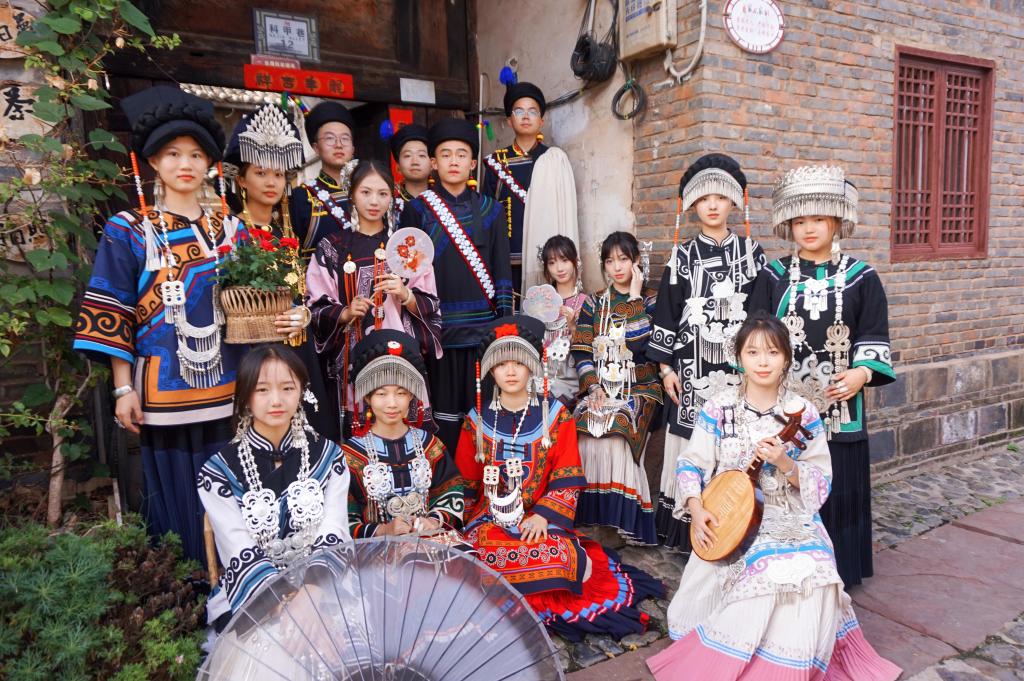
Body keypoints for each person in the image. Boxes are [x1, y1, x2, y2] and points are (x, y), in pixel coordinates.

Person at [646, 313, 900, 681]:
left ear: (786, 359)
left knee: (816, 573)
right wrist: (697, 509)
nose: (763, 362)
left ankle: (787, 666)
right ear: (739, 357)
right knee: (763, 578)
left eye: (772, 352)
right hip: (732, 517)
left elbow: (821, 478)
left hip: (788, 511)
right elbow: (691, 464)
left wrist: (786, 463)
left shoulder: (802, 412)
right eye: (753, 352)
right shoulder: (718, 407)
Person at [73, 86, 243, 562]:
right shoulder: (128, 228)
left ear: (210, 163)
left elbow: (252, 307)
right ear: (151, 161)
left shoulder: (230, 229)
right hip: (162, 390)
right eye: (172, 153)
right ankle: (187, 583)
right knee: (175, 493)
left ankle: (238, 579)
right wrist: (122, 388)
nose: (185, 164)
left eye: (196, 154)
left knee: (232, 486)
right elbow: (114, 309)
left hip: (229, 385)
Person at [455, 315, 662, 641]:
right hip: (491, 520)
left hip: (542, 521)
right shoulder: (475, 422)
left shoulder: (555, 416)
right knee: (475, 558)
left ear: (532, 367)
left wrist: (543, 515)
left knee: (560, 557)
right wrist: (458, 524)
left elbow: (568, 476)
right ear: (490, 371)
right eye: (502, 364)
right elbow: (465, 482)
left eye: (518, 363)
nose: (510, 371)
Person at [749, 165, 895, 588]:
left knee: (837, 481)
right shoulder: (773, 276)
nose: (808, 229)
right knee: (784, 478)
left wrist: (862, 372)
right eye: (799, 221)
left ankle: (839, 569)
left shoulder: (862, 277)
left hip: (840, 405)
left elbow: (873, 332)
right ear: (788, 225)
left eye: (818, 219)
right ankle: (783, 564)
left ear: (836, 221)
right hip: (785, 405)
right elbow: (755, 335)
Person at [647, 153, 766, 554]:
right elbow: (667, 313)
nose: (712, 205)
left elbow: (761, 315)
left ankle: (734, 525)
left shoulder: (752, 254)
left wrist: (757, 364)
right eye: (703, 199)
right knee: (691, 440)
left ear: (734, 202)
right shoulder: (681, 256)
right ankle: (688, 531)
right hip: (691, 367)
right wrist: (665, 369)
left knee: (734, 440)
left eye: (720, 197)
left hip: (738, 368)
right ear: (692, 206)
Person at [197, 345, 351, 627]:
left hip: (323, 587)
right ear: (245, 396)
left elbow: (335, 528)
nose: (276, 400)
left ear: (302, 392)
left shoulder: (331, 457)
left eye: (287, 388)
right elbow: (236, 547)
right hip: (254, 596)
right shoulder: (217, 472)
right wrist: (285, 604)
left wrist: (312, 592)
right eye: (262, 390)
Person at [222, 103, 337, 441]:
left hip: (296, 345)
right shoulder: (227, 232)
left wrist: (305, 314)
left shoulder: (286, 232)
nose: (271, 182)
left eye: (277, 174)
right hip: (251, 350)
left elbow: (304, 292)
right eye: (260, 173)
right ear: (241, 179)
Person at [400, 118, 514, 453]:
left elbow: (502, 271)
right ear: (433, 163)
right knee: (445, 417)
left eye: (461, 154)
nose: (454, 161)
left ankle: (486, 475)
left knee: (486, 412)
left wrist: (503, 326)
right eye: (445, 154)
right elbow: (408, 274)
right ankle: (447, 475)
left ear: (472, 163)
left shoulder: (491, 210)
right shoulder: (417, 210)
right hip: (438, 333)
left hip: (483, 333)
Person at [306, 159, 441, 437]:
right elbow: (316, 307)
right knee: (359, 427)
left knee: (403, 422)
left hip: (401, 352)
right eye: (365, 192)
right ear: (352, 194)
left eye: (382, 193)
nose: (374, 201)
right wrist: (345, 312)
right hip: (352, 355)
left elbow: (432, 303)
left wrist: (405, 294)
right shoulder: (333, 247)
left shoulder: (407, 244)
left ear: (392, 196)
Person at [572, 231, 662, 546]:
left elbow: (644, 346)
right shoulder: (594, 302)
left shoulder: (652, 300)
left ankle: (624, 522)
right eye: (610, 261)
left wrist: (635, 297)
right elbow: (581, 350)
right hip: (602, 388)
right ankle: (594, 521)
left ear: (636, 261)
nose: (617, 267)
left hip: (642, 388)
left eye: (624, 259)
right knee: (583, 424)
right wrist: (592, 387)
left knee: (618, 425)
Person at [342, 330, 463, 538]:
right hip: (375, 551)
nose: (392, 403)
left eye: (401, 393)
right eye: (381, 393)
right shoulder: (350, 454)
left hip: (429, 543)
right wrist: (383, 530)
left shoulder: (429, 445)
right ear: (368, 398)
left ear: (411, 396)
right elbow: (342, 516)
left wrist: (434, 520)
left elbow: (450, 492)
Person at [288, 101, 358, 255]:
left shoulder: (369, 191)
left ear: (353, 148)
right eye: (330, 138)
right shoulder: (302, 196)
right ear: (316, 148)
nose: (338, 145)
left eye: (345, 138)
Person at [538, 235, 587, 407]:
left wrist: (572, 325)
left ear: (575, 262)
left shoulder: (586, 302)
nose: (559, 268)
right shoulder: (540, 304)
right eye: (552, 263)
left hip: (571, 378)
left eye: (564, 260)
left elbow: (590, 350)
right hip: (541, 374)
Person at [390, 122, 431, 207]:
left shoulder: (445, 202)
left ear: (433, 164)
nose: (415, 162)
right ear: (398, 167)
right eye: (407, 155)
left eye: (421, 155)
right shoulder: (389, 204)